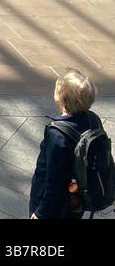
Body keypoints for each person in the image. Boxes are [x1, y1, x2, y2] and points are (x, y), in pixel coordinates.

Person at [30, 69, 103, 219]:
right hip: (77, 198)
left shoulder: (57, 134)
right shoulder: (93, 119)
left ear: (62, 98)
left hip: (55, 206)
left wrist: (40, 213)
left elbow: (54, 180)